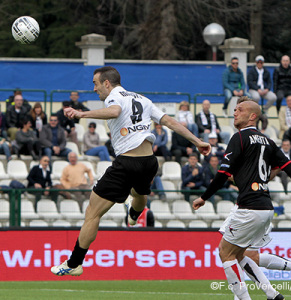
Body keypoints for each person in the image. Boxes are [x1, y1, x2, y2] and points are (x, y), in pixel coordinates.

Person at [51, 66, 210, 276]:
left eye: (96, 84)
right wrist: (198, 141)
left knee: (92, 212)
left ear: (107, 83)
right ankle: (134, 215)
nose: (95, 89)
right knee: (139, 193)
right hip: (149, 161)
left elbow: (115, 111)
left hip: (127, 162)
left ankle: (74, 263)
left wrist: (82, 113)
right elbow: (170, 122)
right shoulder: (142, 99)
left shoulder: (113, 97)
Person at [193, 96, 291, 299]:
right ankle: (271, 293)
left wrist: (204, 197)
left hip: (248, 207)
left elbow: (223, 174)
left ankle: (245, 297)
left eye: (239, 109)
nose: (234, 112)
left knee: (225, 253)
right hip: (266, 208)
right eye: (234, 109)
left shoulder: (240, 138)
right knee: (241, 254)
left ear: (252, 116)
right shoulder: (269, 142)